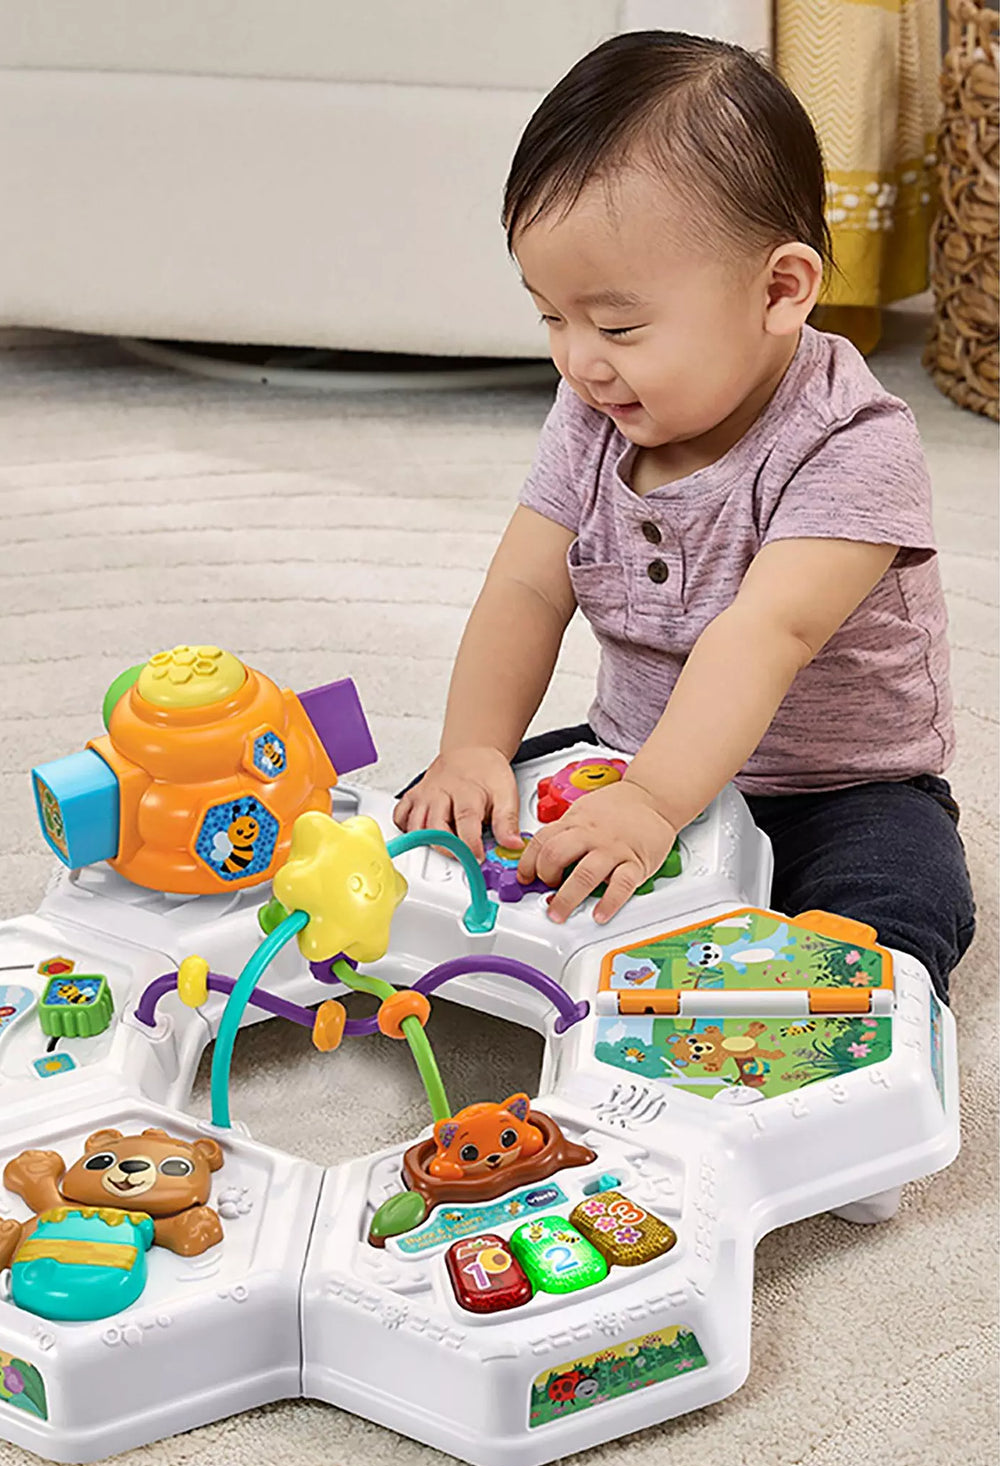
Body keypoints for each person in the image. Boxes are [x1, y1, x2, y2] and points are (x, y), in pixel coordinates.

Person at [394, 30, 974, 1014]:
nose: (579, 360)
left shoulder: (852, 442)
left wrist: (658, 805)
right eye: (550, 317)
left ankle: (835, 1022)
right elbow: (529, 585)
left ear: (780, 291)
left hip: (836, 791)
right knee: (445, 819)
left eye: (617, 326)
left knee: (895, 896)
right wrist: (476, 748)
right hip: (628, 753)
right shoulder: (591, 414)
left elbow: (768, 632)